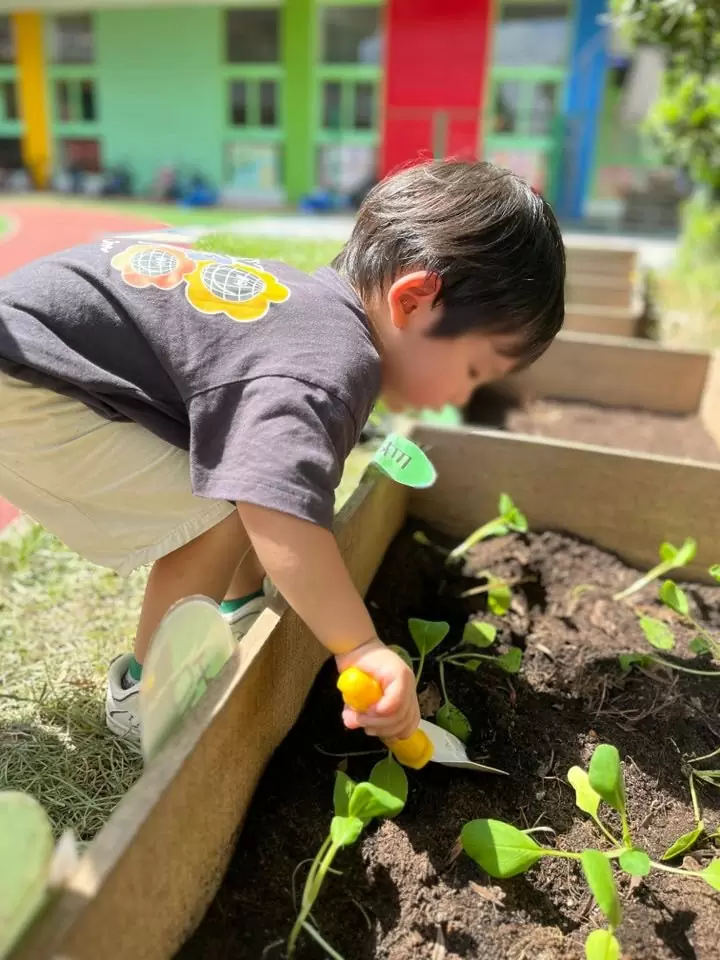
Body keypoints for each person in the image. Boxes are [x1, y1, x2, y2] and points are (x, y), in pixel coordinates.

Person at [0, 160, 565, 745]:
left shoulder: (312, 318)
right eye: (472, 370)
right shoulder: (328, 368)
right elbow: (272, 506)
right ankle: (146, 699)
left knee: (244, 475)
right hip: (21, 384)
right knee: (226, 503)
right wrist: (359, 646)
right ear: (415, 299)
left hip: (31, 353)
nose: (460, 397)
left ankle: (240, 608)